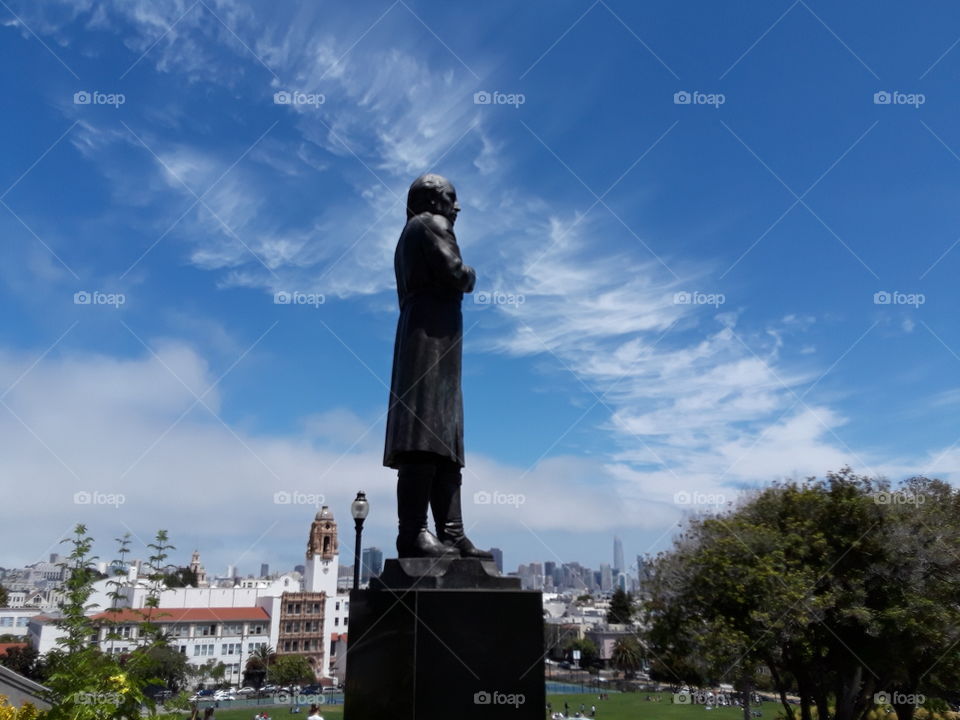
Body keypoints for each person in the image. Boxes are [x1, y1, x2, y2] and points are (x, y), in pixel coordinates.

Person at [384, 174, 492, 559]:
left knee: (442, 438)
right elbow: (458, 274)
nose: (456, 207)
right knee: (425, 433)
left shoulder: (406, 234)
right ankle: (413, 533)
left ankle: (452, 533)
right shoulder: (432, 224)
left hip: (427, 334)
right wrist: (472, 274)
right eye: (451, 198)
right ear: (432, 201)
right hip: (431, 337)